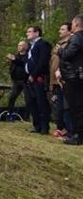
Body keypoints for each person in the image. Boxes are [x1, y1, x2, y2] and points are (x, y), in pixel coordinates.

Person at [56, 14, 83, 145]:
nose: (71, 25)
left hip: (74, 77)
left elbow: (68, 55)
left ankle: (78, 136)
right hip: (75, 76)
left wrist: (60, 50)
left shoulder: (77, 38)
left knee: (76, 107)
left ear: (77, 24)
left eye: (72, 23)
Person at [24, 25, 52, 135]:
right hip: (29, 78)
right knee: (31, 102)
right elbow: (28, 62)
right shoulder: (31, 47)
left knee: (41, 102)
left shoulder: (43, 44)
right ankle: (37, 125)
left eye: (29, 31)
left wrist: (34, 74)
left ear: (37, 33)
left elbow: (42, 62)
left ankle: (44, 127)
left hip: (39, 77)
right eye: (27, 32)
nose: (27, 34)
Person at [50, 23, 72, 137]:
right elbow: (52, 63)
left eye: (63, 29)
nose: (60, 31)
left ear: (70, 31)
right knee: (59, 106)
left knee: (67, 106)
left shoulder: (71, 44)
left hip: (65, 79)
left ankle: (70, 130)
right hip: (55, 80)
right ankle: (61, 127)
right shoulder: (57, 45)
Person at [5, 41, 28, 118]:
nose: (19, 47)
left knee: (27, 98)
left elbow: (23, 64)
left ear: (25, 47)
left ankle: (27, 116)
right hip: (16, 80)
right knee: (12, 97)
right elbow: (12, 66)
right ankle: (9, 113)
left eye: (21, 45)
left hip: (25, 80)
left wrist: (14, 59)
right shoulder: (16, 56)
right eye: (18, 45)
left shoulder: (28, 56)